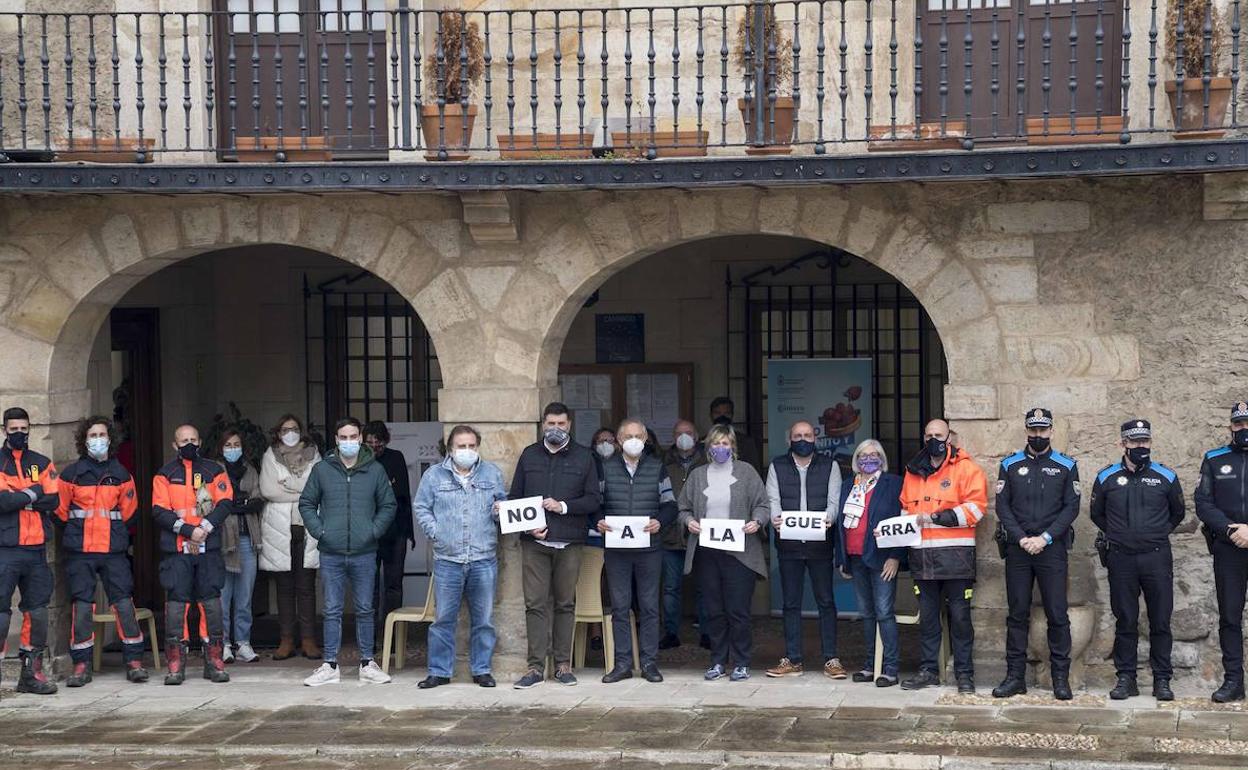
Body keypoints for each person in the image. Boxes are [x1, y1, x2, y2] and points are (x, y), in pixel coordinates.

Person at [1091, 419, 1185, 701]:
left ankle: (1162, 679)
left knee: (1160, 620)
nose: (1140, 447)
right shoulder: (1107, 477)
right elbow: (1097, 514)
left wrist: (1154, 534)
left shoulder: (1165, 476)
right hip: (1121, 558)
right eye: (1134, 442)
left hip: (1156, 558)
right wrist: (1121, 535)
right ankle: (1126, 677)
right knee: (1125, 619)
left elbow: (1177, 513)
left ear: (1150, 443)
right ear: (1123, 444)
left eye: (1144, 441)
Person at [299, 417, 397, 687]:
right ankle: (330, 664)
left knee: (366, 608)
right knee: (331, 609)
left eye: (354, 437)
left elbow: (388, 505)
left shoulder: (374, 470)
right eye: (344, 437)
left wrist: (372, 531)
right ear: (336, 440)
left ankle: (367, 663)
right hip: (331, 551)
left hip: (365, 551)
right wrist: (321, 531)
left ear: (361, 438)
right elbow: (307, 503)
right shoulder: (322, 470)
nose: (349, 442)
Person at [992, 408, 1081, 701]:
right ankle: (1015, 677)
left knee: (1057, 614)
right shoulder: (1010, 464)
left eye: (1043, 431)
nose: (1038, 436)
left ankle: (1060, 679)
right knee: (1017, 614)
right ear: (1026, 431)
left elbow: (1071, 508)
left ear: (1051, 431)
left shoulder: (1066, 465)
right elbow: (1003, 506)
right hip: (1019, 550)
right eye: (1033, 431)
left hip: (1051, 548)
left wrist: (1044, 538)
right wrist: (1021, 538)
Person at [511, 402, 601, 689]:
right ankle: (536, 667)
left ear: (570, 425)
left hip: (570, 541)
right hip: (534, 542)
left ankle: (563, 665)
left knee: (565, 603)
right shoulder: (529, 455)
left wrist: (562, 506)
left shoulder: (584, 457)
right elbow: (516, 498)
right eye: (551, 423)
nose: (556, 429)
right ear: (542, 424)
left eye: (561, 424)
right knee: (534, 603)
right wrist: (528, 526)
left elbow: (593, 500)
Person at [56, 416, 147, 686]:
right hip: (80, 551)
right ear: (84, 441)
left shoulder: (121, 475)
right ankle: (81, 665)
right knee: (82, 606)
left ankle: (134, 662)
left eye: (102, 435)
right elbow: (60, 513)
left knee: (123, 603)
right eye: (93, 435)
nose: (98, 440)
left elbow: (130, 514)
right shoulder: (70, 474)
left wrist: (115, 536)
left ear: (110, 439)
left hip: (112, 551)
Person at [899, 418, 988, 694]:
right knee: (928, 619)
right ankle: (929, 671)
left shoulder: (967, 469)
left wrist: (937, 517)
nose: (933, 439)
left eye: (939, 434)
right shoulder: (912, 471)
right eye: (929, 435)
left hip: (956, 559)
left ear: (949, 438)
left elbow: (977, 509)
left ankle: (964, 674)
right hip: (923, 559)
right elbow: (905, 509)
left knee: (960, 619)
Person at [414, 424, 507, 689]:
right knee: (443, 619)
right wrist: (437, 532)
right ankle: (439, 671)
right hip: (448, 559)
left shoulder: (492, 473)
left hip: (483, 557)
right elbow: (421, 507)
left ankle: (482, 670)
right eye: (461, 446)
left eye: (471, 446)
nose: (466, 451)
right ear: (450, 448)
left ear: (477, 447)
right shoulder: (434, 476)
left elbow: (502, 506)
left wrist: (500, 510)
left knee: (484, 619)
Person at [678, 424, 769, 682]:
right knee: (714, 610)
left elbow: (762, 505)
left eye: (725, 443)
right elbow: (683, 508)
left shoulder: (747, 473)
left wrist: (757, 521)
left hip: (739, 552)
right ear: (708, 447)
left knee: (738, 610)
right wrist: (688, 522)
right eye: (716, 444)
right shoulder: (697, 475)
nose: (721, 448)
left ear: (733, 446)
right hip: (707, 551)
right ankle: (718, 660)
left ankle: (741, 661)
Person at [594, 418, 678, 683]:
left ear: (645, 440)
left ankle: (650, 664)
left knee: (650, 606)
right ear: (619, 441)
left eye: (638, 436)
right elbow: (594, 503)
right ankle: (622, 664)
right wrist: (597, 520)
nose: (633, 440)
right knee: (620, 606)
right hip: (617, 548)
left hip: (649, 548)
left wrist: (660, 521)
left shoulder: (657, 468)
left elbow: (670, 505)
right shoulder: (604, 469)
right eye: (628, 436)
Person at [152, 424, 234, 685]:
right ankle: (176, 664)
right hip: (177, 550)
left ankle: (215, 662)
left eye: (193, 439)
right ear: (174, 445)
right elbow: (159, 511)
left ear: (200, 442)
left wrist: (205, 528)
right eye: (183, 440)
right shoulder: (164, 474)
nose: (189, 444)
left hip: (208, 547)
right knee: (177, 604)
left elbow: (225, 502)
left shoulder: (214, 470)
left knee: (211, 602)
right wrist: (188, 531)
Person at [765, 420, 845, 680]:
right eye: (798, 435)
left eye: (807, 435)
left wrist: (830, 518)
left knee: (826, 601)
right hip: (788, 545)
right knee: (790, 603)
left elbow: (834, 502)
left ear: (815, 438)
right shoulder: (777, 466)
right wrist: (776, 519)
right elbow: (772, 500)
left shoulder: (830, 465)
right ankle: (793, 658)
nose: (803, 439)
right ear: (789, 439)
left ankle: (831, 659)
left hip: (820, 544)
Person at [0, 407, 60, 694]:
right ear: (4, 431)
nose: (20, 434)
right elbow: (2, 503)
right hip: (5, 548)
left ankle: (30, 674)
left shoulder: (41, 462)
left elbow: (54, 500)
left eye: (24, 429)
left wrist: (20, 497)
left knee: (37, 613)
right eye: (14, 430)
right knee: (0, 614)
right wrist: (34, 493)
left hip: (36, 549)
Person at [835, 439, 904, 686]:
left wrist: (895, 556)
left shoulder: (893, 483)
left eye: (874, 455)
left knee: (884, 613)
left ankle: (890, 668)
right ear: (856, 459)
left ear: (882, 459)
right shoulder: (847, 485)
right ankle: (870, 664)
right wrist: (842, 559)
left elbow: (901, 520)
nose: (868, 459)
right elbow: (840, 528)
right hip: (855, 557)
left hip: (882, 559)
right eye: (863, 455)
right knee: (866, 614)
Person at [259, 414, 322, 661]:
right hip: (279, 530)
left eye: (294, 428)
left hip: (306, 528)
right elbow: (269, 490)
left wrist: (289, 487)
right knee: (284, 588)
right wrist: (300, 490)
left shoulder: (313, 454)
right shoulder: (269, 455)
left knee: (306, 587)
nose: (290, 433)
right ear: (278, 432)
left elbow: (315, 488)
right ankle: (286, 640)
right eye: (285, 429)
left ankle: (308, 639)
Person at [1196, 402, 1248, 703]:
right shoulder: (1214, 459)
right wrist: (1232, 529)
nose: (1243, 429)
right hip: (1229, 549)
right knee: (1229, 617)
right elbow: (1203, 503)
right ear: (1230, 426)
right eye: (1239, 424)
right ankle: (1233, 682)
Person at [217, 427, 264, 664]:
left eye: (236, 445)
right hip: (224, 541)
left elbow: (257, 501)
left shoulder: (251, 470)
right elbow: (214, 504)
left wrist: (237, 503)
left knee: (245, 596)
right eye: (228, 445)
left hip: (247, 539)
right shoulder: (214, 471)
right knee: (224, 596)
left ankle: (243, 643)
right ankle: (223, 643)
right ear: (220, 448)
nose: (233, 449)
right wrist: (238, 502)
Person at [363, 421, 414, 642]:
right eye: (370, 443)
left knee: (393, 585)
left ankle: (391, 637)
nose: (374, 447)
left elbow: (402, 496)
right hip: (368, 533)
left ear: (386, 441)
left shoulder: (396, 458)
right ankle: (370, 638)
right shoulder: (358, 460)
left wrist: (409, 532)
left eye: (379, 443)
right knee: (369, 587)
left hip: (395, 531)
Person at [660, 419, 705, 649]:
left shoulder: (707, 461)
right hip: (670, 536)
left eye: (688, 432)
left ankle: (707, 633)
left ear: (696, 436)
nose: (683, 437)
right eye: (679, 433)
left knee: (704, 586)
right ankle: (670, 633)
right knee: (670, 587)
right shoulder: (663, 463)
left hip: (700, 534)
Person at [708, 396, 762, 471]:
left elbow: (754, 470)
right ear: (711, 415)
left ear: (732, 415)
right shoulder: (704, 442)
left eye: (726, 413)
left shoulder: (746, 442)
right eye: (718, 413)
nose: (722, 416)